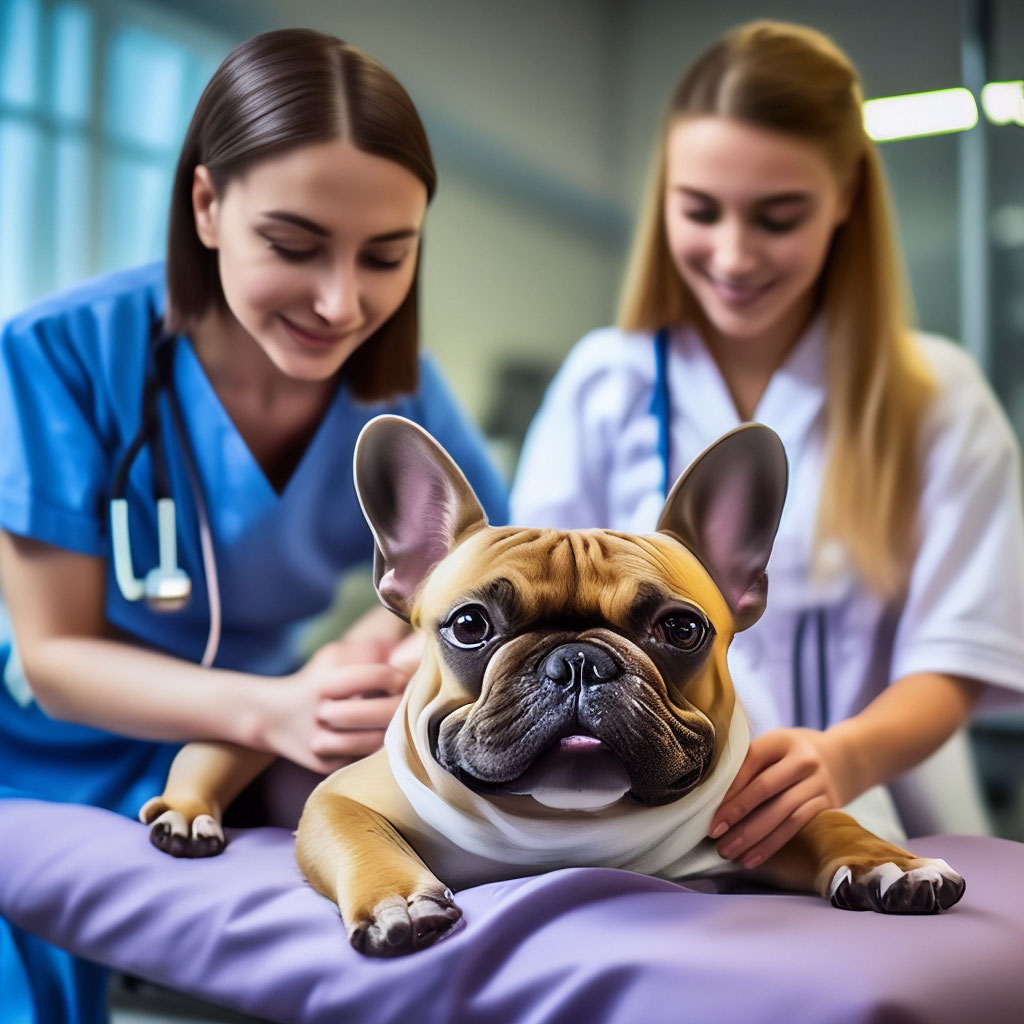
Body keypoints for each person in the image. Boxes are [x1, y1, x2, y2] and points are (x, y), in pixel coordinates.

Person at [0, 28, 507, 1024]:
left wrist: (375, 649)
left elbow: (477, 580)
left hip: (267, 738)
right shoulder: (60, 352)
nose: (339, 300)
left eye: (386, 256)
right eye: (293, 244)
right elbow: (56, 658)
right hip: (48, 743)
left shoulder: (402, 395)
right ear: (206, 205)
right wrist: (273, 709)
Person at [512, 20, 1024, 872]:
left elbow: (957, 655)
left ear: (846, 199)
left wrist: (845, 758)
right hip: (640, 823)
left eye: (778, 217)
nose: (733, 254)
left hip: (873, 805)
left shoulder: (939, 396)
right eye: (699, 210)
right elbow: (523, 612)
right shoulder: (606, 380)